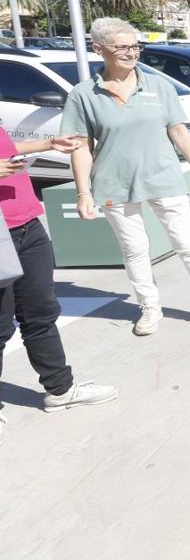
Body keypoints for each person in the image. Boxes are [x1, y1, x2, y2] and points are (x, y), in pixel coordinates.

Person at [61, 18, 190, 337]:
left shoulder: (159, 86)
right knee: (135, 250)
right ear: (99, 49)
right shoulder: (83, 95)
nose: (131, 53)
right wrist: (83, 193)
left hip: (164, 177)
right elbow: (81, 147)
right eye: (122, 47)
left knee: (188, 245)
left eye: (135, 46)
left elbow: (177, 130)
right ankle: (149, 308)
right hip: (114, 182)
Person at [2, 128, 117, 443]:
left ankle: (60, 390)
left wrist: (48, 144)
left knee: (41, 313)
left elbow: (6, 144)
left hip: (27, 225)